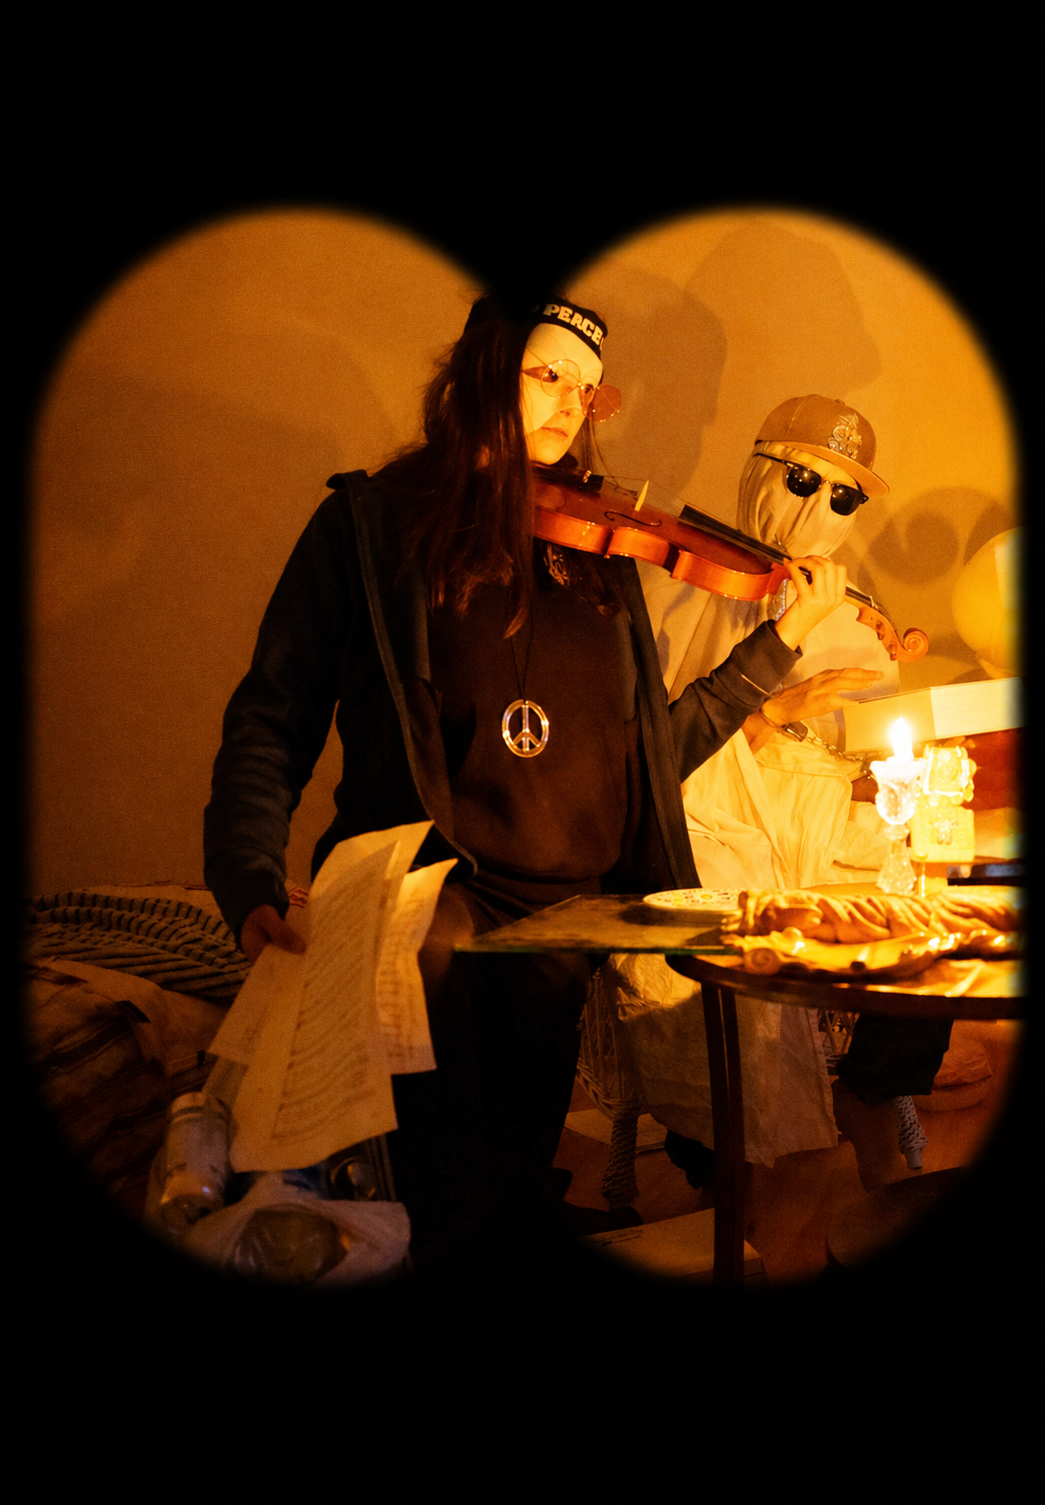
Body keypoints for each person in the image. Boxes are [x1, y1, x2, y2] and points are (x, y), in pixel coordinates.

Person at [203, 300, 852, 1264]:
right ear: (479, 373)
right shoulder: (370, 525)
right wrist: (247, 870)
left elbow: (649, 763)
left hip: (570, 906)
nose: (569, 403)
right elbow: (273, 710)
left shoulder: (599, 550)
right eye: (546, 374)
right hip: (435, 883)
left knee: (509, 1153)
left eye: (586, 389)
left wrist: (778, 644)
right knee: (434, 997)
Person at [601, 396, 948, 1193]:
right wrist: (770, 712)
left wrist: (894, 757)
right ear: (761, 472)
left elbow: (866, 749)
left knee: (936, 887)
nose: (819, 507)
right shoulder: (678, 583)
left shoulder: (852, 603)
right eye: (801, 480)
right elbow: (659, 766)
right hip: (716, 811)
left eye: (843, 496)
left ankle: (871, 1090)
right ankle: (722, 1154)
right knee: (719, 918)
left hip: (819, 810)